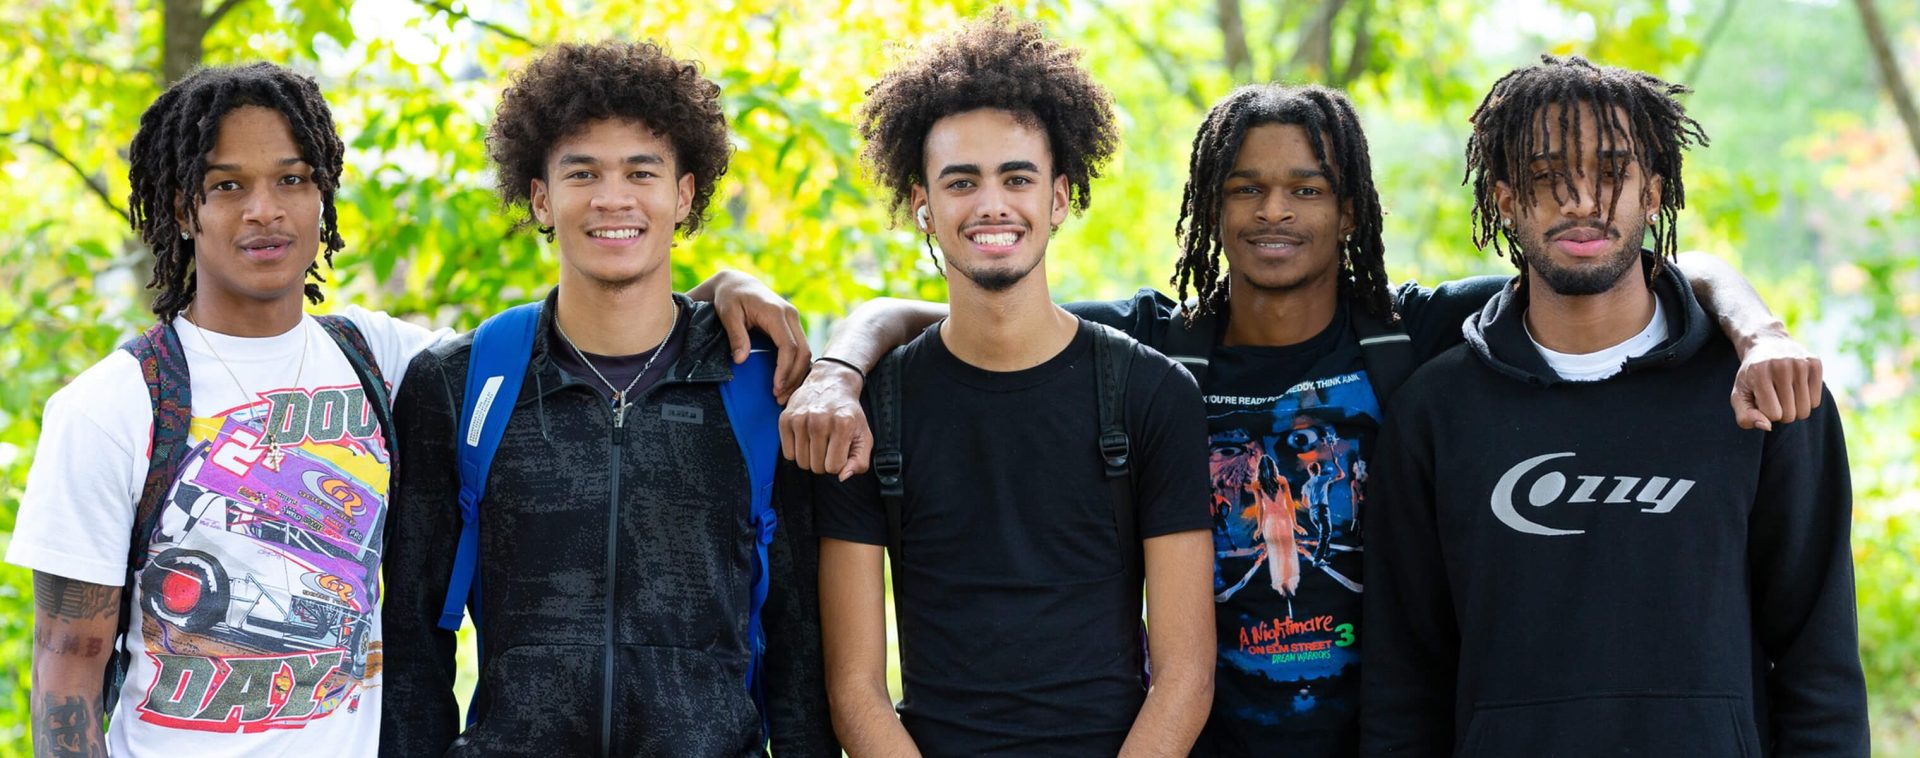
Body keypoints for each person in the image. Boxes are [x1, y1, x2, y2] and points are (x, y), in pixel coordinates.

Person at [783, 80, 1821, 756]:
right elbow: (977, 308)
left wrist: (1759, 326)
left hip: (1380, 732)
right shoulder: (1154, 351)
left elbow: (1631, 267)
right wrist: (837, 363)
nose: (1275, 211)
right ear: (1209, 207)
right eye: (1247, 188)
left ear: (1351, 207)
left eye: (1307, 188)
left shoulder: (1418, 333)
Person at [8, 60, 809, 758]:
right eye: (227, 186)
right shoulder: (112, 406)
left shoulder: (383, 360)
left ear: (322, 197)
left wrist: (722, 295)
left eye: (292, 179)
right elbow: (68, 666)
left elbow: (598, 324)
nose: (265, 210)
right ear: (183, 210)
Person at [1362, 55, 1867, 756]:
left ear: (1653, 193)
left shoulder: (1760, 395)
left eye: (1610, 172)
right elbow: (1402, 686)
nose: (1580, 201)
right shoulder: (1435, 413)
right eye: (1546, 177)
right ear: (1505, 200)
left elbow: (1821, 665)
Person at [379, 41, 838, 756]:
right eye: (582, 172)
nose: (612, 198)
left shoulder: (760, 385)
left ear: (684, 194)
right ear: (540, 196)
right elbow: (410, 642)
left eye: (641, 171)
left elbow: (799, 646)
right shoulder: (459, 383)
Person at [811, 10, 1215, 755]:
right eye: (961, 182)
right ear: (922, 207)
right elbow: (855, 689)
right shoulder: (871, 416)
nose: (992, 204)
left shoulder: (1151, 396)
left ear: (1059, 198)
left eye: (1016, 178)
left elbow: (1186, 677)